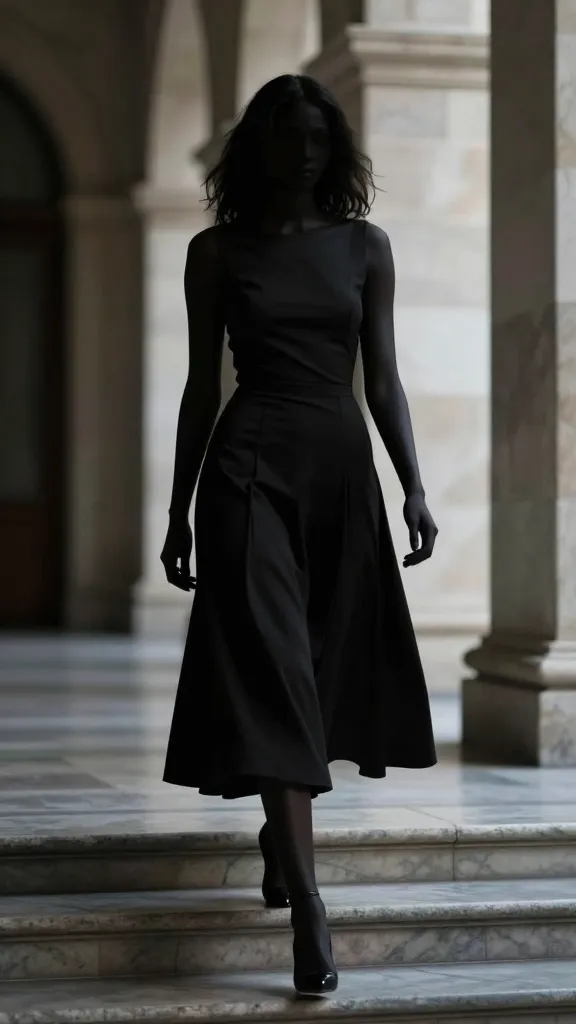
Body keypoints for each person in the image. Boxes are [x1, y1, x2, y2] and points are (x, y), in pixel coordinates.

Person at [160, 73, 438, 997]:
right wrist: (176, 506)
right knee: (272, 664)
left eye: (319, 136)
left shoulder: (367, 248)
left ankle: (280, 839)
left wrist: (414, 489)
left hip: (340, 471)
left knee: (315, 667)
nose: (305, 151)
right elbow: (203, 387)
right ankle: (312, 906)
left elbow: (385, 381)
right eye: (288, 136)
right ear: (259, 148)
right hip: (247, 468)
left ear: (335, 147)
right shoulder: (215, 251)